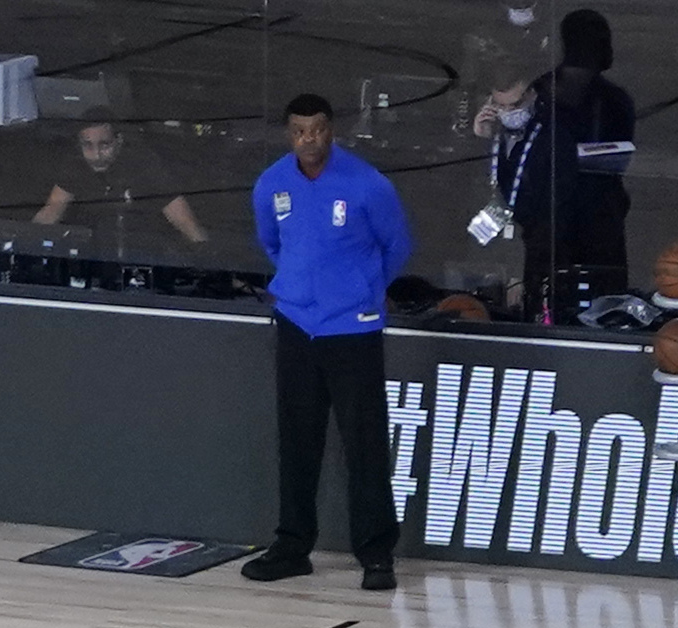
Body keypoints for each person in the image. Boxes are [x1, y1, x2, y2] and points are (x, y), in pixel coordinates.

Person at [243, 94, 409, 592]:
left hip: (353, 328)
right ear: (288, 133)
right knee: (297, 440)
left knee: (364, 444)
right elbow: (272, 243)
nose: (308, 138)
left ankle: (377, 554)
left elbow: (396, 244)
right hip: (296, 324)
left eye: (316, 129)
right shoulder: (272, 183)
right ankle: (293, 545)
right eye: (298, 130)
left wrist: (364, 293)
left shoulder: (366, 184)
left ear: (331, 130)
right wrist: (298, 287)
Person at [492, 12, 638, 310]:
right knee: (553, 302)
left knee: (598, 303)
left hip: (593, 226)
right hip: (557, 226)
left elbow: (618, 160)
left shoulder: (611, 100)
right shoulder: (539, 93)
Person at [32, 114, 207, 260]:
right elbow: (51, 211)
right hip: (90, 257)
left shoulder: (144, 165)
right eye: (88, 145)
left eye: (104, 145)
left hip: (143, 255)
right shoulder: (75, 166)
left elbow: (184, 220)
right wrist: (24, 246)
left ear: (119, 140)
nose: (97, 155)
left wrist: (209, 259)